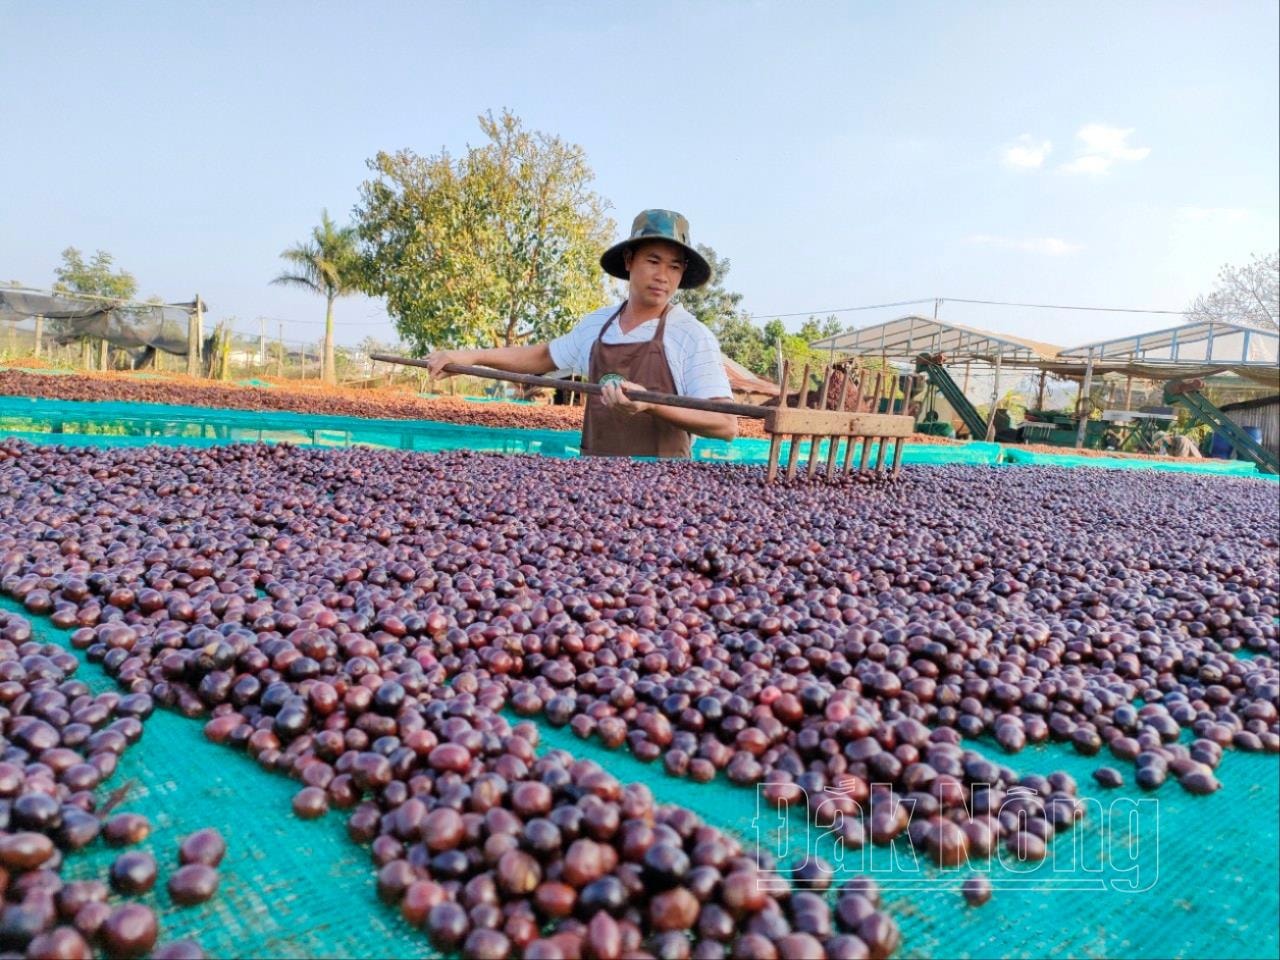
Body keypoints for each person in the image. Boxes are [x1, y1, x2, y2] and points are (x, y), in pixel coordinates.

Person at [425, 209, 737, 457]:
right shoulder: (596, 325)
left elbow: (725, 424)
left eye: (673, 267)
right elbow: (544, 356)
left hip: (663, 494)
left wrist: (651, 404)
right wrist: (470, 356)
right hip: (594, 487)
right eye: (653, 261)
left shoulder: (691, 335)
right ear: (629, 261)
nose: (662, 276)